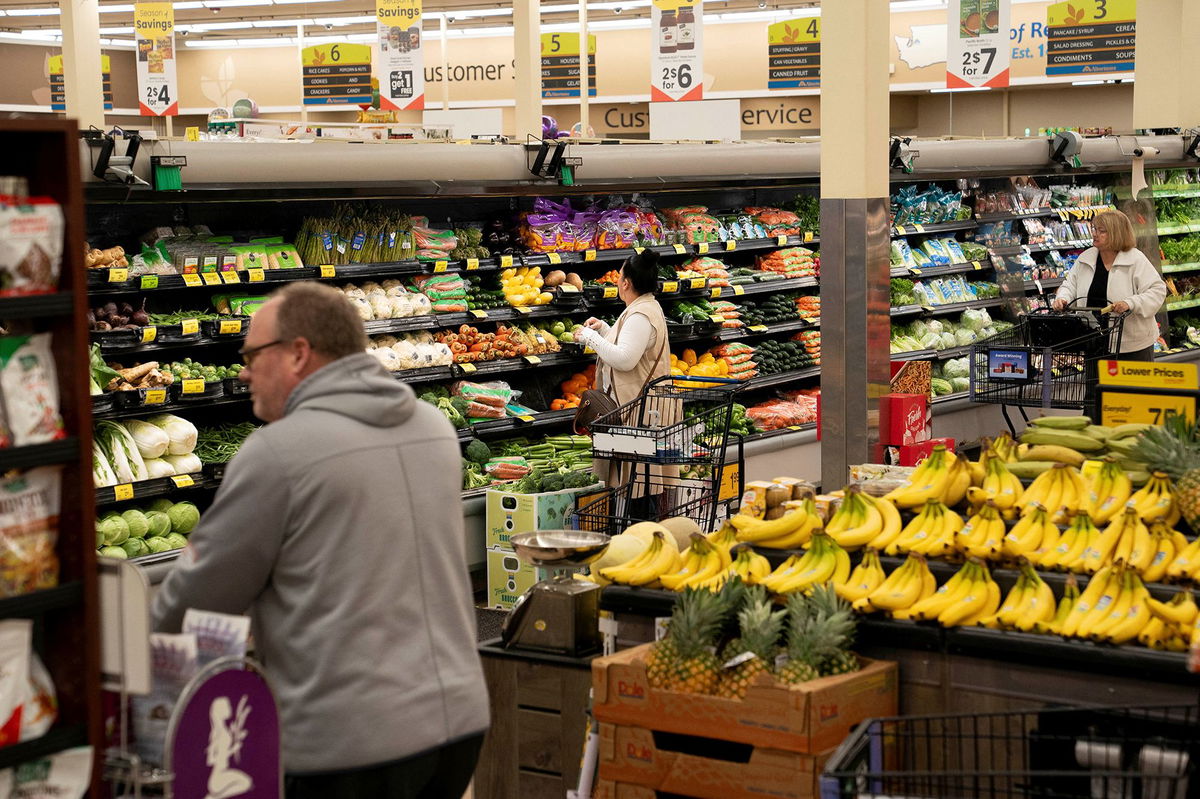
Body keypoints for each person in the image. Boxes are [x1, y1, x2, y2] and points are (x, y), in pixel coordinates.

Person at [151, 282, 489, 799]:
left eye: (251, 354)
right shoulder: (434, 428)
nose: (244, 371)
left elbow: (194, 600)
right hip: (458, 724)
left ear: (299, 353)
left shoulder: (278, 454)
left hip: (349, 743)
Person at [574, 249, 678, 516]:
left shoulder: (641, 315)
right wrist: (606, 330)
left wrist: (590, 339)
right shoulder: (644, 307)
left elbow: (626, 360)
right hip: (642, 408)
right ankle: (642, 531)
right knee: (640, 482)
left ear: (626, 283)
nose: (617, 280)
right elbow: (633, 347)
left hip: (639, 412)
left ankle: (642, 536)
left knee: (639, 484)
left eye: (619, 276)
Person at [1052, 209, 1166, 361]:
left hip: (1131, 345)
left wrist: (1130, 303)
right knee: (1097, 385)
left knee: (1130, 386)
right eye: (1094, 229)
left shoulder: (1135, 260)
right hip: (1093, 342)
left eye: (1102, 231)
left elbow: (1157, 291)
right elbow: (1069, 285)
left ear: (1116, 233)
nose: (1095, 234)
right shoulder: (1085, 258)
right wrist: (1062, 297)